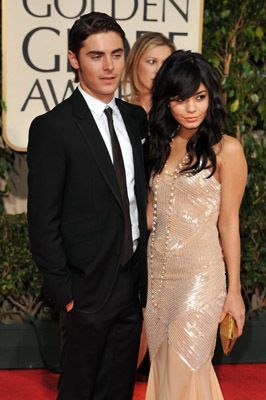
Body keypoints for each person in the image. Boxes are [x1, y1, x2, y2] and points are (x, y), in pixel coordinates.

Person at [27, 12, 148, 400]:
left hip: (132, 284)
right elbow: (42, 222)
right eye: (96, 56)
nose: (109, 65)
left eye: (116, 53)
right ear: (74, 59)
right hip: (85, 289)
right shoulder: (53, 127)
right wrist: (67, 295)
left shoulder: (134, 118)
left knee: (119, 389)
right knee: (79, 391)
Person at [144, 50, 247, 399]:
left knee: (184, 370)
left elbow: (229, 223)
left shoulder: (227, 149)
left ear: (211, 97)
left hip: (199, 282)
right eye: (180, 99)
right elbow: (151, 214)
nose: (191, 108)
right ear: (166, 102)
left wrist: (234, 292)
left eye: (200, 97)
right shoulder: (158, 146)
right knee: (164, 373)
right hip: (157, 280)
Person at [123, 32, 175, 374]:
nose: (157, 71)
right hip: (118, 229)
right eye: (150, 61)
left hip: (162, 231)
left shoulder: (175, 115)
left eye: (164, 63)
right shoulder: (119, 110)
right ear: (135, 63)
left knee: (148, 314)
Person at [123, 32, 176, 114]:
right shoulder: (120, 114)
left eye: (165, 63)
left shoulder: (177, 113)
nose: (159, 70)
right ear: (135, 63)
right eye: (152, 61)